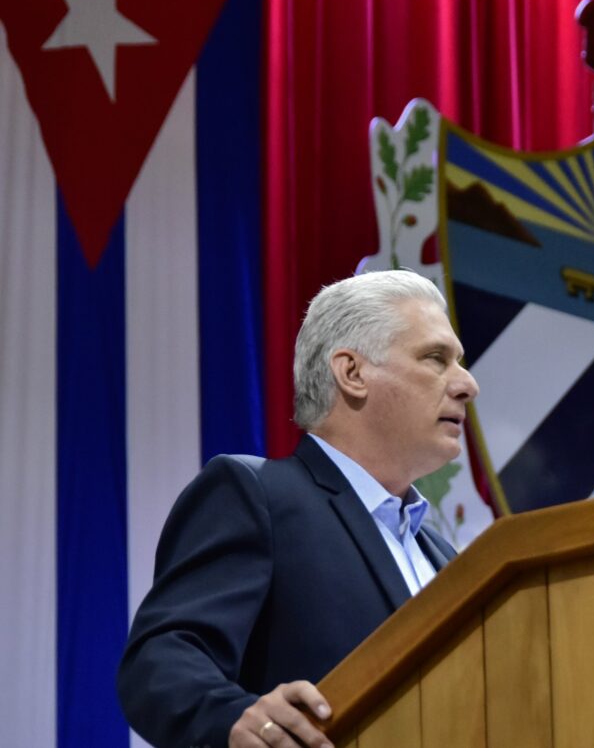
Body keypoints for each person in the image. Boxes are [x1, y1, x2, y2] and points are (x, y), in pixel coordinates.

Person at [118, 270, 480, 748]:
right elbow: (161, 660)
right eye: (436, 358)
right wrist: (235, 718)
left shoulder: (444, 557)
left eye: (460, 362)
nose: (467, 384)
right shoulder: (258, 496)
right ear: (352, 372)